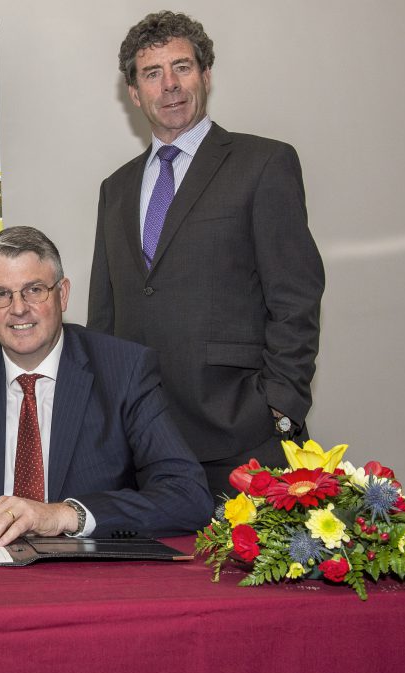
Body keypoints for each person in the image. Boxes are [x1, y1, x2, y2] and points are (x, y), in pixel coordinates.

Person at [87, 11, 325, 501]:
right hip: (143, 444)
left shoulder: (263, 164)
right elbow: (105, 317)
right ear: (134, 93)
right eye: (153, 73)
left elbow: (296, 295)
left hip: (242, 435)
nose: (170, 85)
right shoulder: (116, 188)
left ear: (206, 76)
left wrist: (280, 405)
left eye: (183, 67)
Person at [0, 226, 211, 548]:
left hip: (90, 581)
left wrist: (65, 515)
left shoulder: (123, 370)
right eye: (1, 294)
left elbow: (187, 496)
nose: (19, 308)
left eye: (34, 290)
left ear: (62, 294)